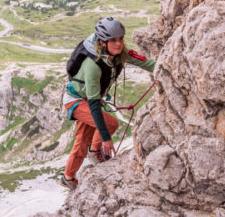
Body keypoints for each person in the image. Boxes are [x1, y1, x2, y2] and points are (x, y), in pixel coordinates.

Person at [59, 17, 157, 190]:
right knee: (110, 123)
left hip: (86, 99)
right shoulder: (93, 65)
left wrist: (163, 66)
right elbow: (94, 105)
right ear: (103, 42)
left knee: (82, 141)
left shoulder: (118, 53)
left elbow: (142, 62)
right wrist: (104, 140)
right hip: (76, 100)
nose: (119, 43)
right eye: (113, 40)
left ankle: (68, 178)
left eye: (120, 38)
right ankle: (95, 153)